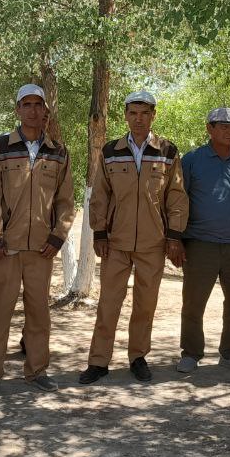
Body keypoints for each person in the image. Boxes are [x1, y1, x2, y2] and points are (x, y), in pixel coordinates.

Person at [79, 91, 188, 385]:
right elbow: (100, 194)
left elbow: (176, 196)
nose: (138, 119)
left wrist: (174, 235)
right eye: (133, 113)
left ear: (153, 115)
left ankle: (138, 357)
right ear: (126, 115)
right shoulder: (111, 151)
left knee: (145, 304)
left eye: (144, 113)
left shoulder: (167, 151)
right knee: (108, 303)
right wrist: (99, 232)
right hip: (116, 241)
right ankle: (98, 361)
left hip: (153, 243)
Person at [0, 85, 76, 396]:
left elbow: (65, 201)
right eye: (26, 104)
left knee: (38, 314)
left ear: (45, 110)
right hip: (5, 248)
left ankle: (37, 371)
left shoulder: (58, 151)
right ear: (17, 109)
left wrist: (58, 236)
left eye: (37, 104)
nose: (32, 110)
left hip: (41, 250)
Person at [177, 107, 230, 375]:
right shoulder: (192, 160)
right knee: (193, 303)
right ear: (209, 128)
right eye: (224, 126)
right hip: (199, 244)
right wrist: (175, 239)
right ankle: (191, 354)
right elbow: (178, 201)